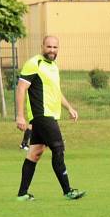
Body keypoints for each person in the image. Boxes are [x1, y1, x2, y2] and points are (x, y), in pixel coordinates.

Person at [15, 35, 86, 201]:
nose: (52, 50)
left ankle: (22, 194)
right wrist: (20, 115)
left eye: (55, 47)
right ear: (42, 46)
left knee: (35, 153)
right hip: (42, 115)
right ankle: (68, 190)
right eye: (49, 47)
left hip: (49, 115)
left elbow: (56, 92)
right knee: (58, 148)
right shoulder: (34, 63)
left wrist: (69, 108)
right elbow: (20, 88)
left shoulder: (53, 66)